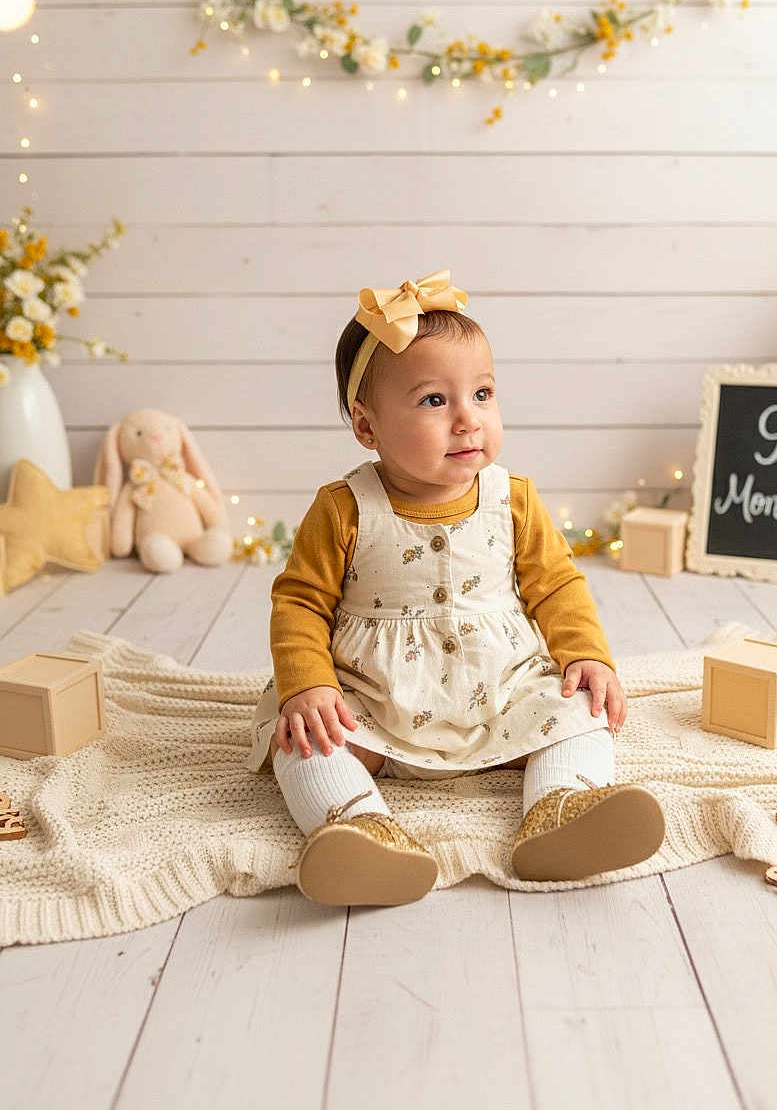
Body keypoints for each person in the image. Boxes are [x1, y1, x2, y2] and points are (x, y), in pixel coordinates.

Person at [246, 269, 665, 906]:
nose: (468, 420)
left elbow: (556, 586)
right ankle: (356, 825)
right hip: (375, 696)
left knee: (579, 709)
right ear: (367, 427)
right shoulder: (343, 508)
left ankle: (562, 808)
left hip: (499, 690)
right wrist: (309, 684)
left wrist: (587, 655)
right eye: (434, 401)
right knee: (303, 737)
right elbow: (301, 602)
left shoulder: (512, 498)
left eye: (483, 394)